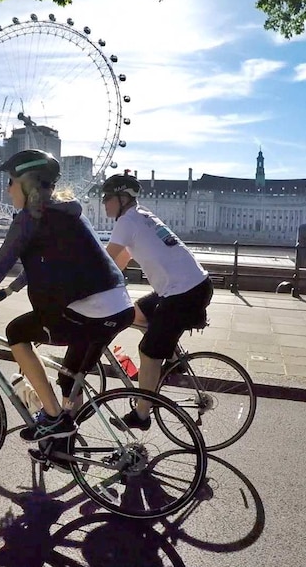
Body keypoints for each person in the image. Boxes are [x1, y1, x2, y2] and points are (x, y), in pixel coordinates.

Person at [0, 150, 134, 443]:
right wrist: (8, 291)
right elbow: (47, 261)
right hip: (118, 306)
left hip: (86, 310)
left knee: (16, 332)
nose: (7, 188)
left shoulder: (29, 219)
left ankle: (54, 417)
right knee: (69, 380)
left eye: (11, 181)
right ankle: (63, 446)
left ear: (27, 185)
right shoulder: (68, 211)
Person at [101, 173, 213, 429]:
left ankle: (141, 415)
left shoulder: (127, 221)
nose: (104, 202)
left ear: (121, 198)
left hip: (183, 293)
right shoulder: (141, 216)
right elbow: (120, 262)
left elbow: (105, 261)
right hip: (191, 286)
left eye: (107, 197)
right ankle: (171, 355)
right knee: (134, 312)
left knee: (148, 352)